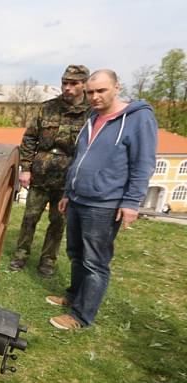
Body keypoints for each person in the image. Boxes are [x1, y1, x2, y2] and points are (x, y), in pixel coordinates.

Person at [47, 69, 157, 330]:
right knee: (76, 253)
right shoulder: (92, 117)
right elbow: (80, 158)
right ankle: (73, 296)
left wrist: (131, 203)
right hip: (78, 197)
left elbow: (143, 163)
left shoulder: (138, 119)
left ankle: (81, 317)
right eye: (90, 92)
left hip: (104, 203)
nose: (94, 97)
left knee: (94, 261)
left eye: (101, 91)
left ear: (117, 87)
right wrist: (67, 193)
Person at [9, 65, 91, 278]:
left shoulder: (91, 113)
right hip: (41, 172)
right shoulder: (47, 108)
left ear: (84, 84)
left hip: (68, 178)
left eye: (74, 83)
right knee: (30, 217)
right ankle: (21, 254)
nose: (68, 88)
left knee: (58, 221)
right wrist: (25, 168)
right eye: (65, 83)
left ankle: (47, 261)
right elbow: (29, 138)